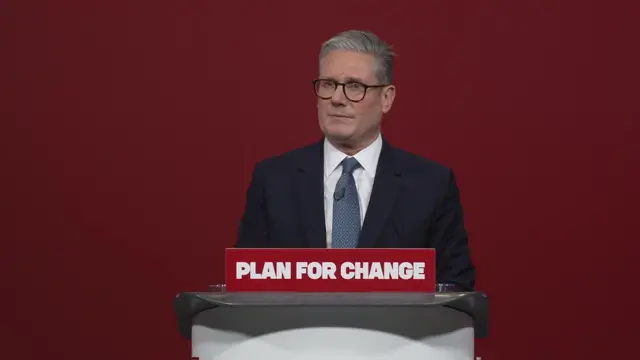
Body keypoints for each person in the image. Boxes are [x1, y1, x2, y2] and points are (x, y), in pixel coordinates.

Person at [235, 30, 476, 290]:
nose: (337, 99)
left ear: (387, 98)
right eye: (328, 84)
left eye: (354, 87)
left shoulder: (431, 186)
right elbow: (246, 287)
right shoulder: (273, 181)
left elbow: (455, 291)